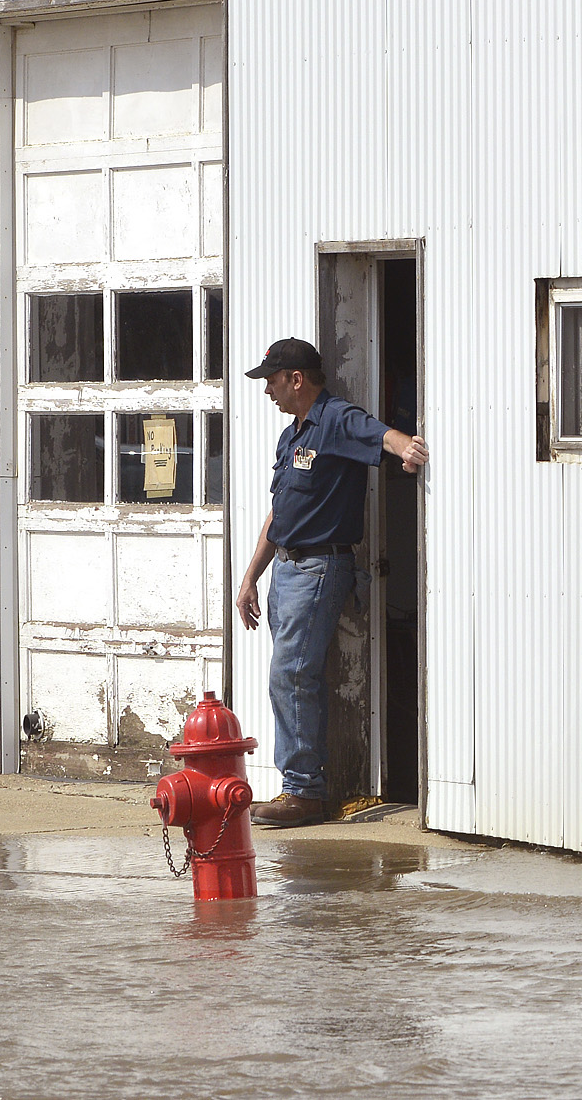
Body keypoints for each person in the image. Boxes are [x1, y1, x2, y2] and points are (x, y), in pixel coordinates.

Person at [232, 338, 429, 827]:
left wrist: (408, 448)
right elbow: (280, 514)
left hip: (320, 568)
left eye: (272, 381)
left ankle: (304, 793)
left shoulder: (335, 418)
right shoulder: (291, 436)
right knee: (290, 678)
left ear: (296, 379)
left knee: (291, 676)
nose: (268, 391)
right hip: (287, 570)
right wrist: (251, 576)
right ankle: (301, 787)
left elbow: (380, 434)